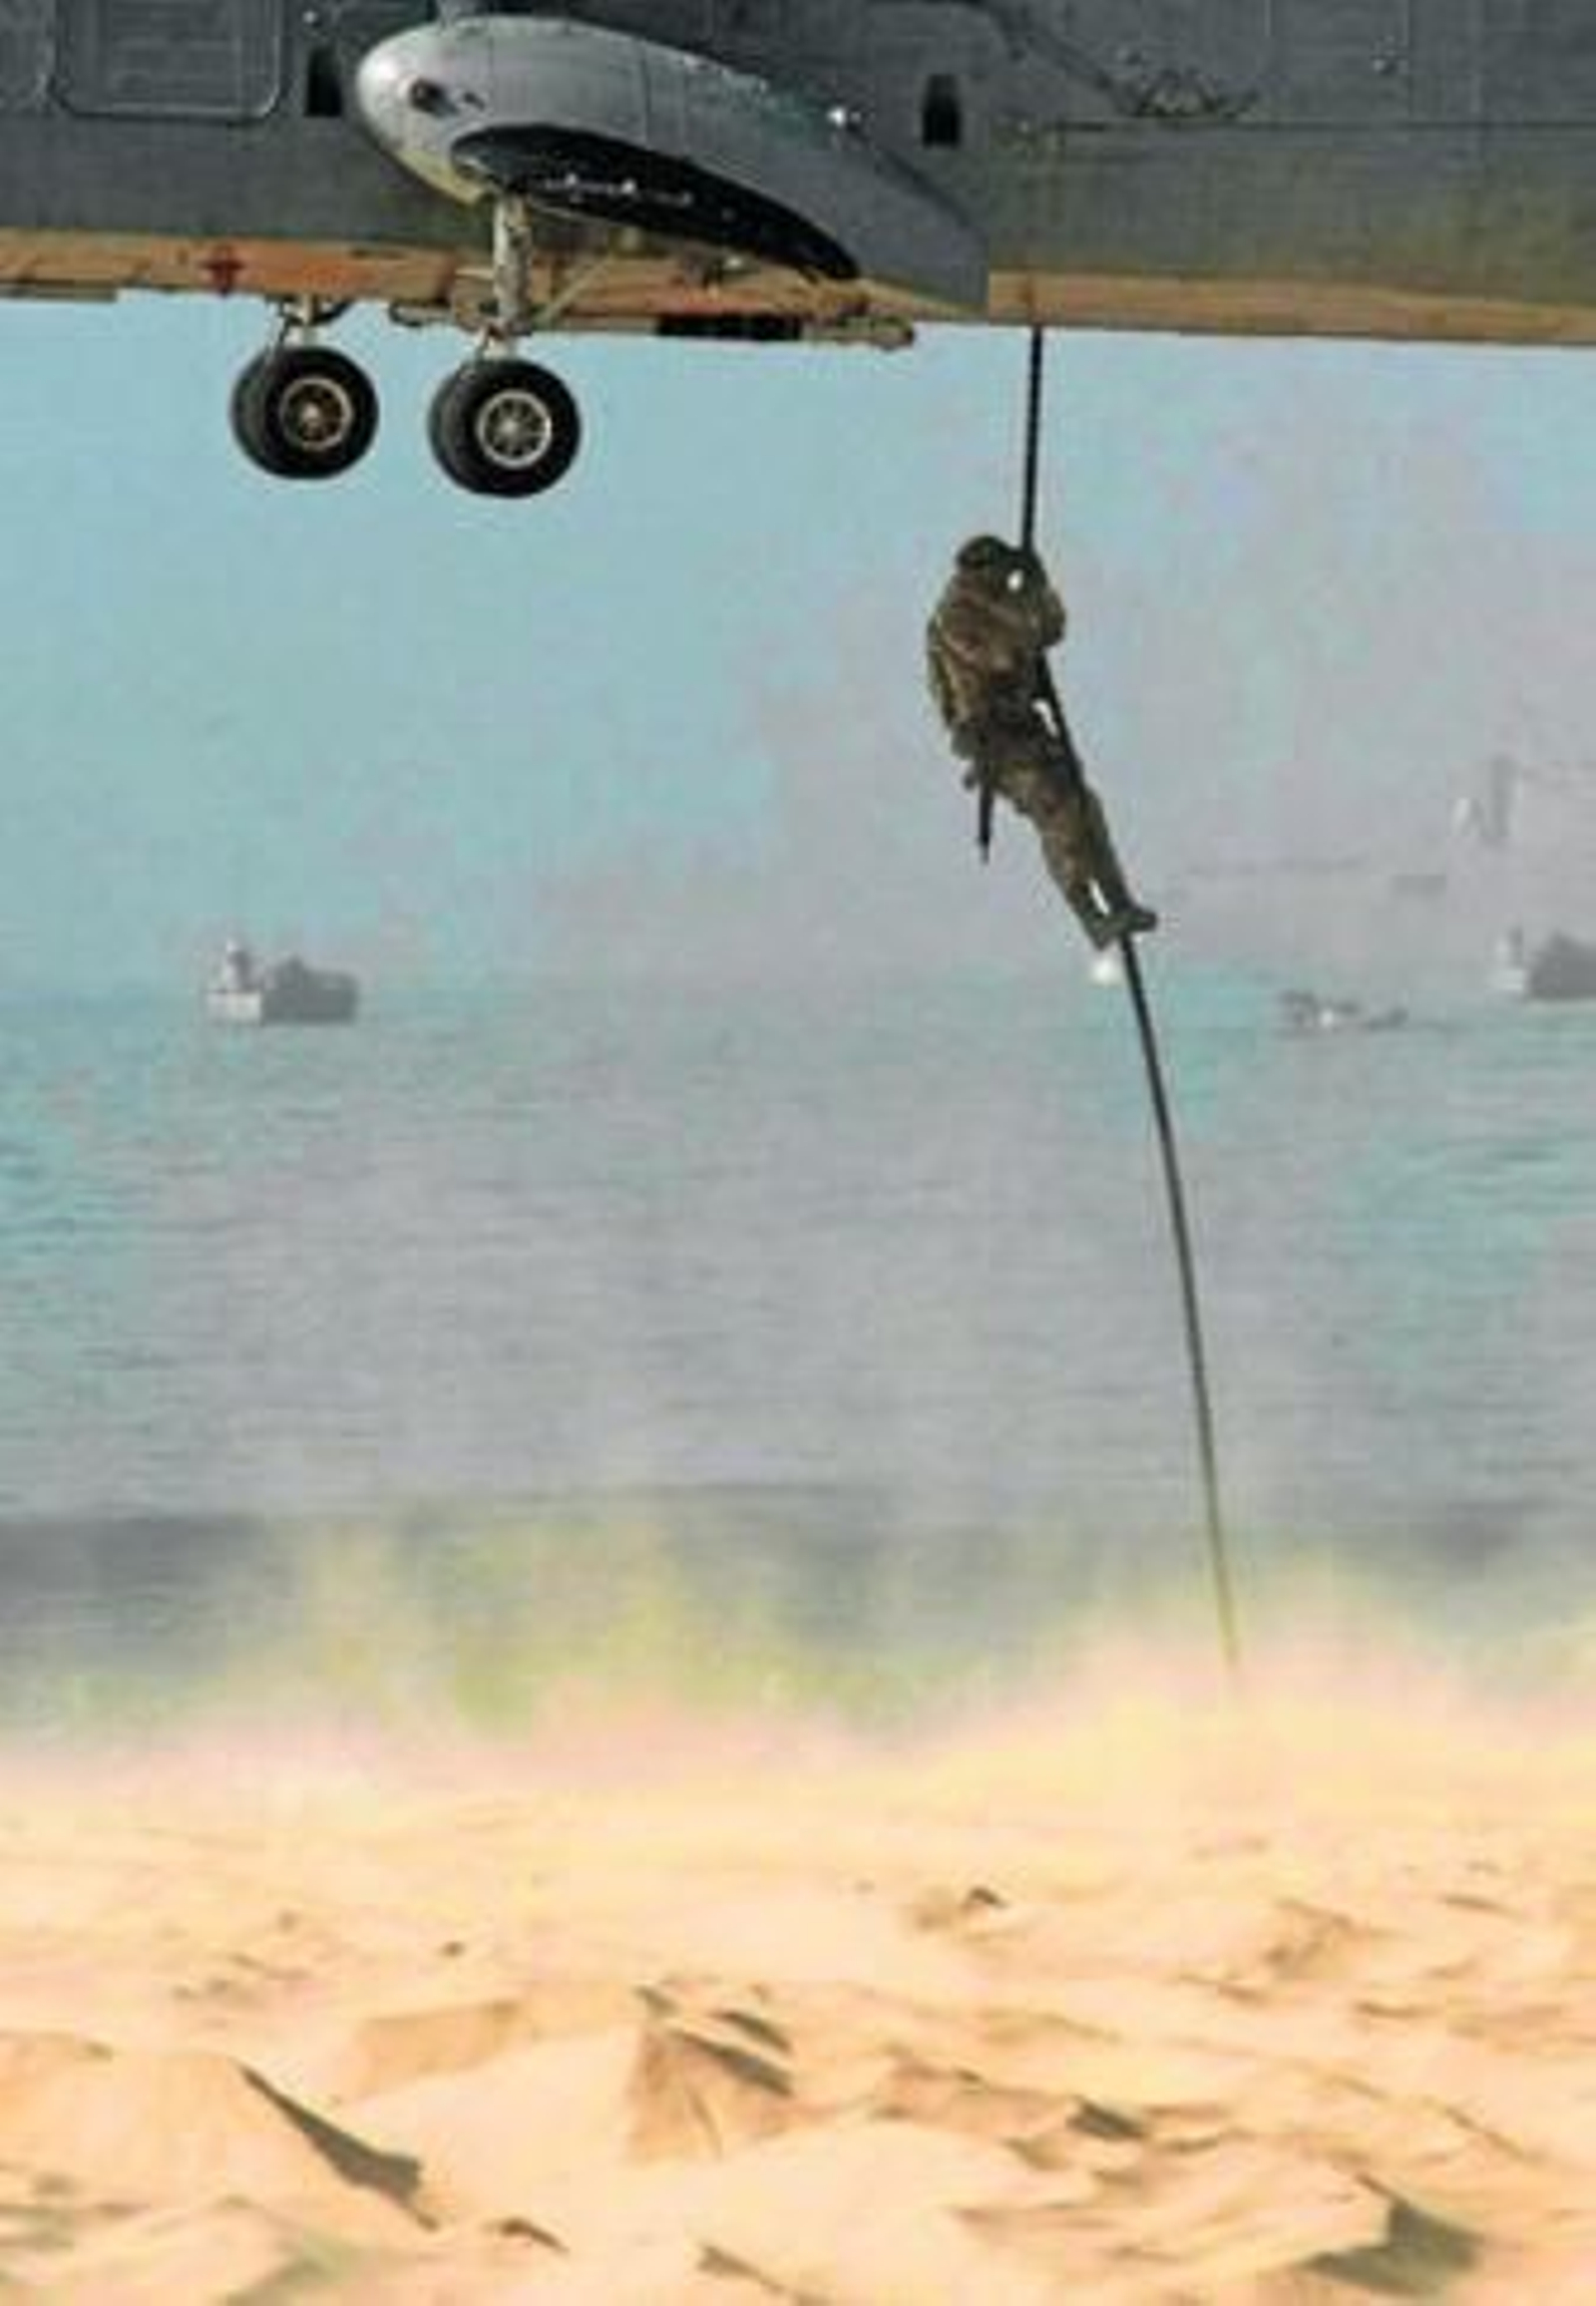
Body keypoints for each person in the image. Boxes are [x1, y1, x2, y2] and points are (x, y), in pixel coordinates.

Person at [927, 535, 1158, 951]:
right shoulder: (958, 615)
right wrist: (1026, 608)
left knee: (1086, 810)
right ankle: (1091, 916)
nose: (1006, 577)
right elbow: (1007, 652)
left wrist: (1040, 585)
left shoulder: (1001, 605)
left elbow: (1051, 628)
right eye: (1002, 571)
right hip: (993, 740)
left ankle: (1120, 904)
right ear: (981, 571)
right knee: (1059, 818)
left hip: (1026, 730)